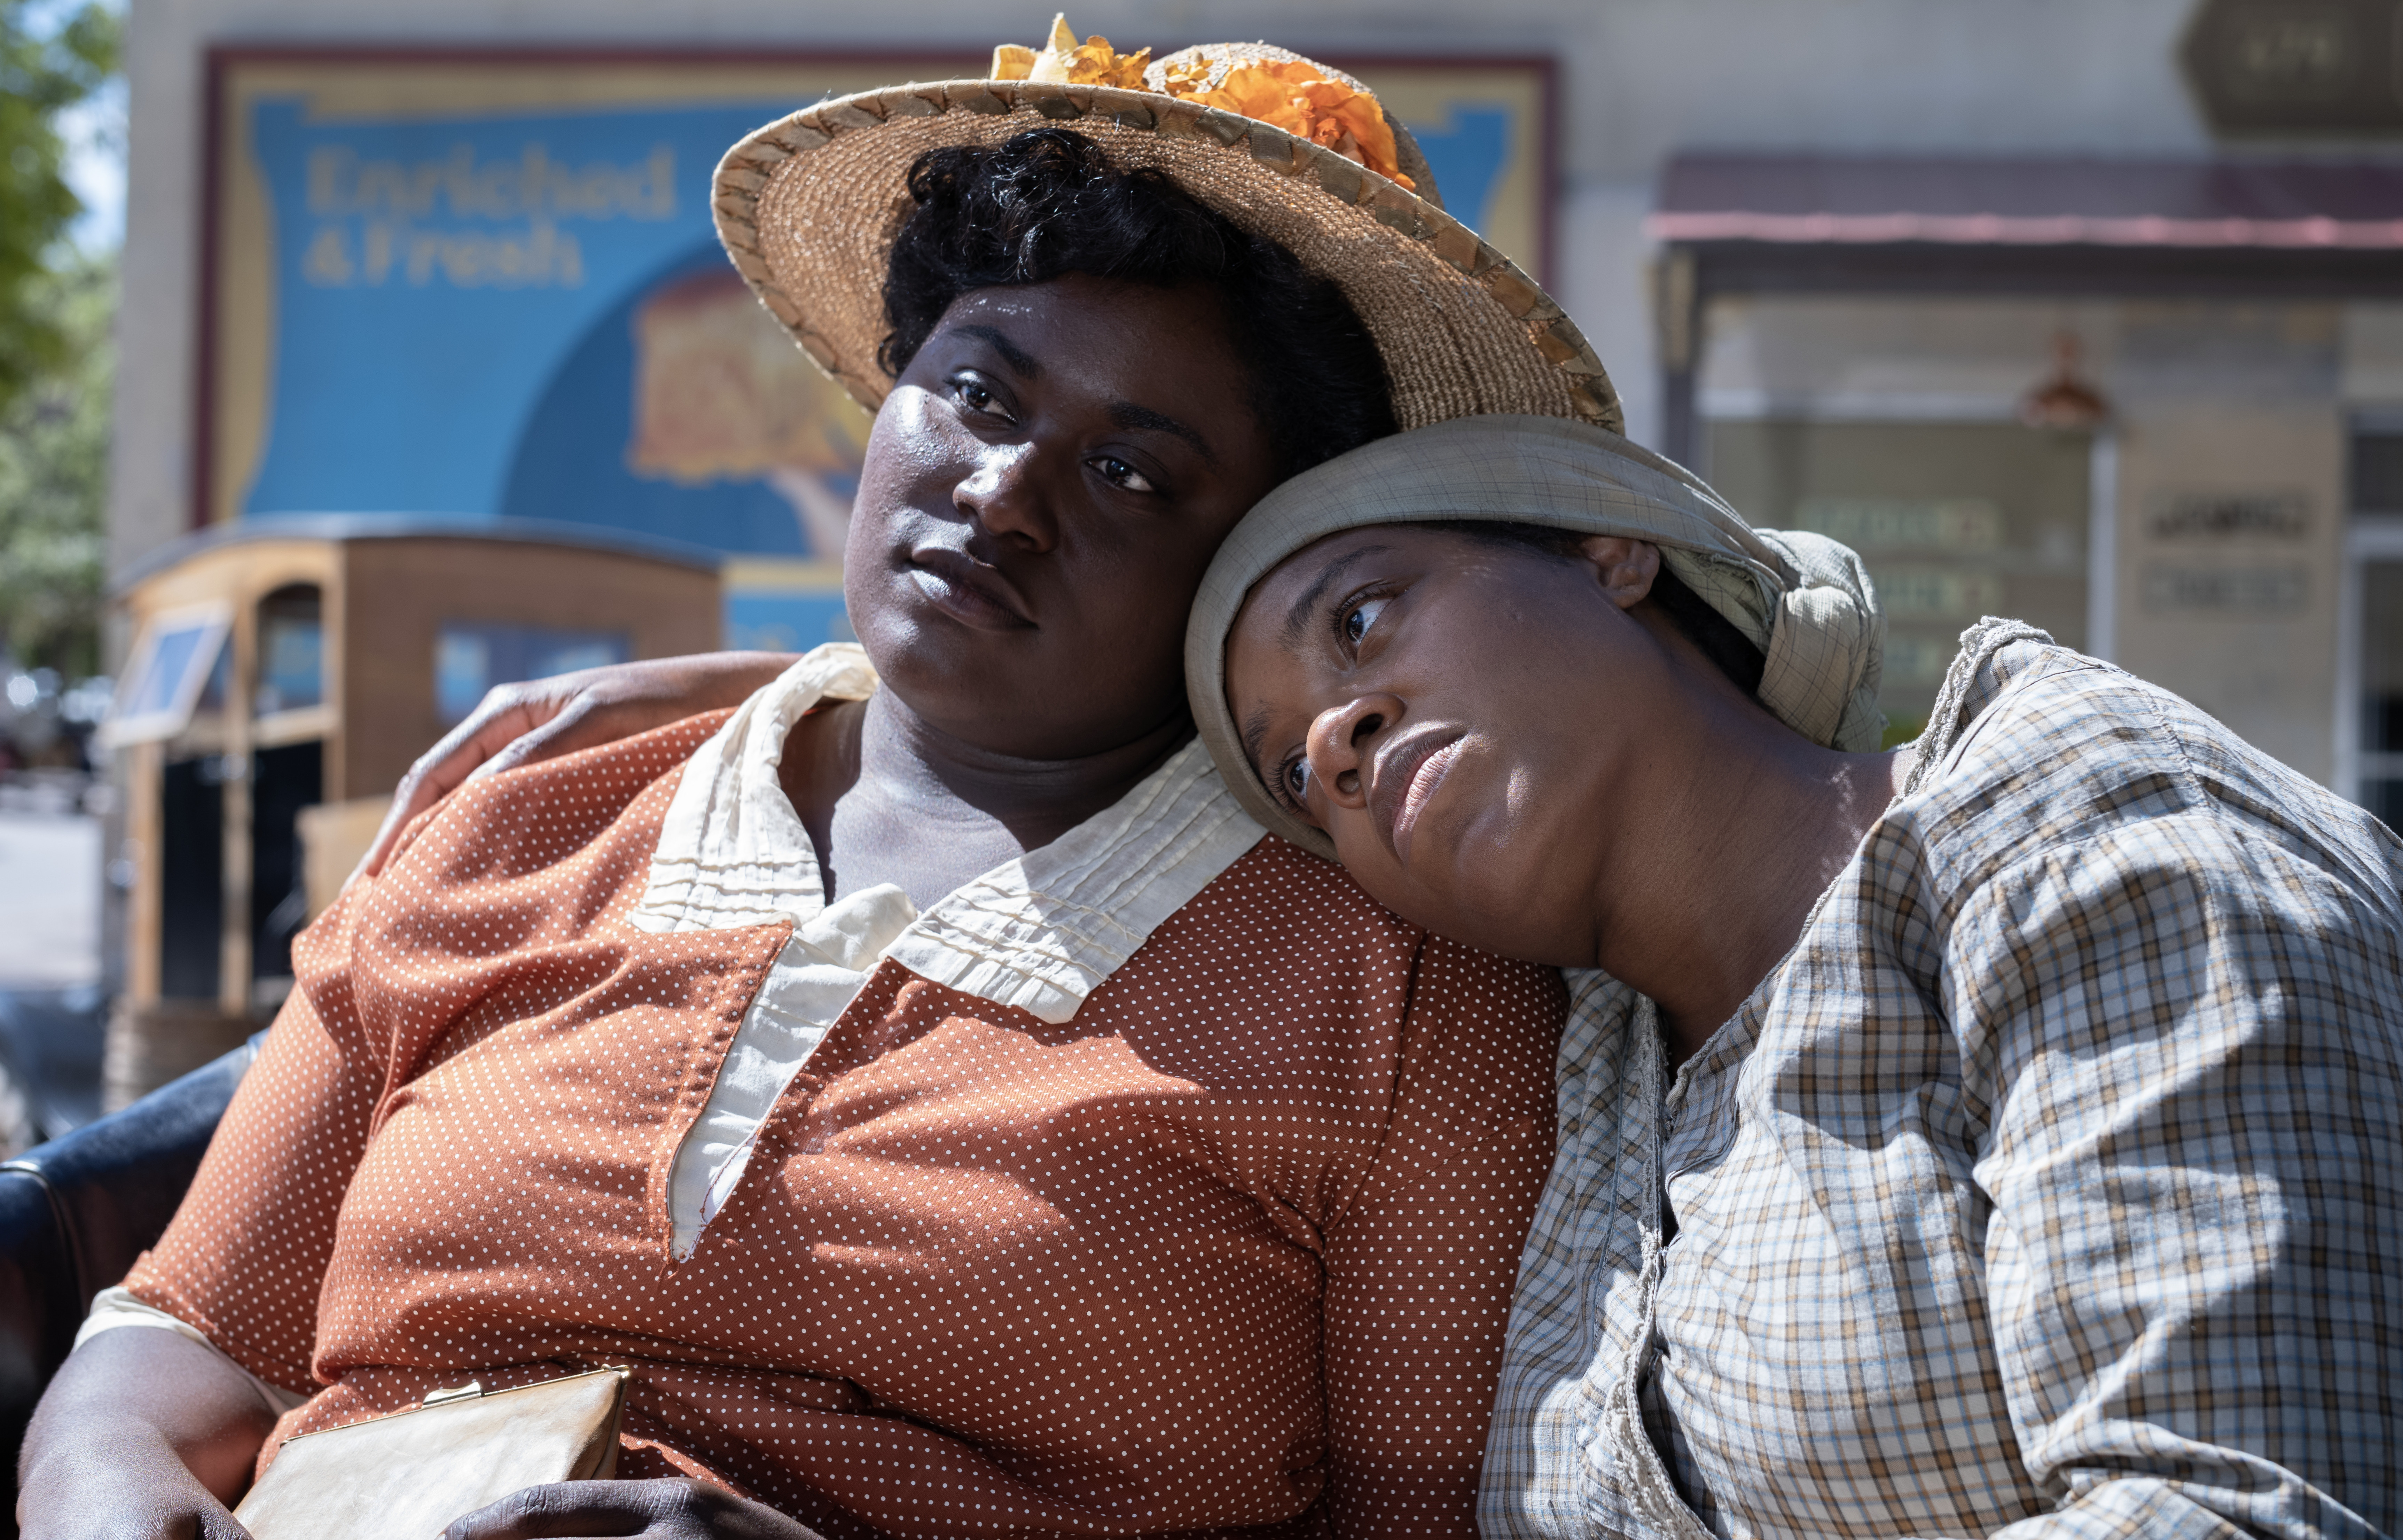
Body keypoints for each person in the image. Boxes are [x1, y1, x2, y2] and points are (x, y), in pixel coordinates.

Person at [20, 30, 1629, 1540]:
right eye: (980, 394)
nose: (1001, 494)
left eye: (1131, 471)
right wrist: (106, 1491)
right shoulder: (511, 822)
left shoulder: (1405, 992)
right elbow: (184, 1337)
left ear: (1263, 557)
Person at [1184, 413, 2403, 1539]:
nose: (1334, 737)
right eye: (1293, 771)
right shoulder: (1588, 1069)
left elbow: (2240, 1507)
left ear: (1610, 549)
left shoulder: (2082, 823)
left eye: (1362, 617)